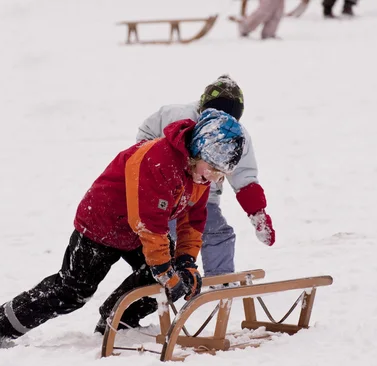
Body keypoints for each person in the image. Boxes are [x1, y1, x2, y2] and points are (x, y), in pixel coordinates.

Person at [0, 109, 246, 351]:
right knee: (73, 290)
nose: (212, 177)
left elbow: (192, 219)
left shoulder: (198, 174)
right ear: (197, 150)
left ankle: (118, 320)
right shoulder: (160, 160)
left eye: (218, 174)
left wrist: (186, 261)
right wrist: (166, 273)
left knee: (168, 271)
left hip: (140, 230)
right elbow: (149, 226)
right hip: (103, 224)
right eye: (211, 169)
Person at [94, 75, 275, 334]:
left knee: (218, 233)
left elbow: (245, 174)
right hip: (163, 192)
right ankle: (135, 304)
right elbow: (144, 139)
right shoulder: (174, 115)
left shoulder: (237, 136)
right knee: (160, 249)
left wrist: (257, 212)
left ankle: (218, 284)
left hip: (203, 197)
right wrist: (156, 171)